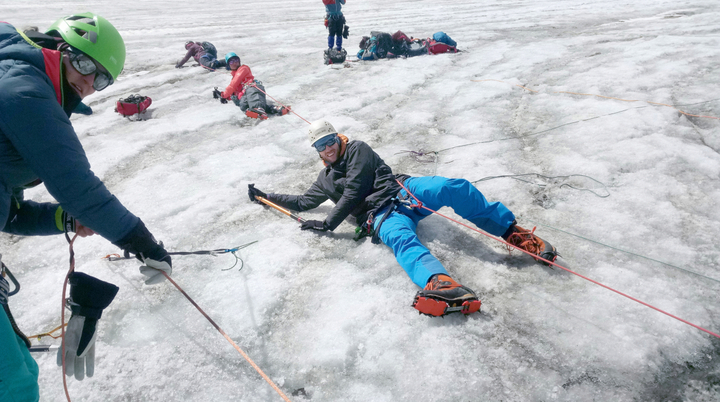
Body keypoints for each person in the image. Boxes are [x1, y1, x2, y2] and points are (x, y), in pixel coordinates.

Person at [1, 13, 173, 401]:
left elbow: (10, 215)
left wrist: (64, 218)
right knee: (14, 383)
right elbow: (76, 185)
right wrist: (145, 244)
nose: (87, 82)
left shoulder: (25, 83)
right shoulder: (24, 90)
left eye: (101, 80)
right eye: (83, 65)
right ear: (59, 49)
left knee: (21, 370)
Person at [247, 120, 558, 317]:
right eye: (320, 145)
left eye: (330, 140)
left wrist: (330, 222)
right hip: (379, 214)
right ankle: (440, 283)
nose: (327, 148)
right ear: (315, 150)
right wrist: (266, 195)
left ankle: (512, 232)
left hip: (403, 189)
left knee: (452, 187)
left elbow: (354, 189)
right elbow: (303, 202)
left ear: (337, 138)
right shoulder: (324, 179)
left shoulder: (357, 149)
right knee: (400, 239)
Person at [214, 52, 290, 120]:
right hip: (246, 95)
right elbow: (234, 93)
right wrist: (223, 96)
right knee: (244, 104)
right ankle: (275, 109)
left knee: (253, 96)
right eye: (231, 61)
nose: (234, 63)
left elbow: (233, 84)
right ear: (228, 65)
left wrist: (224, 95)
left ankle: (258, 109)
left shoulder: (243, 68)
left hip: (253, 88)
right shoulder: (234, 77)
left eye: (236, 60)